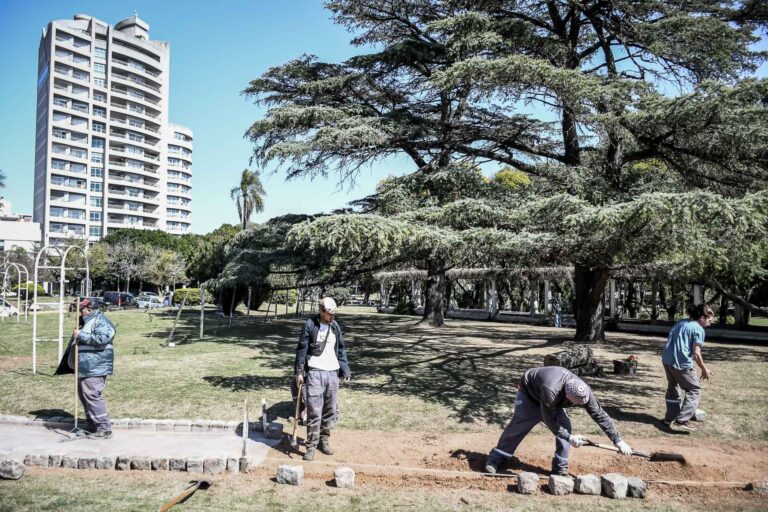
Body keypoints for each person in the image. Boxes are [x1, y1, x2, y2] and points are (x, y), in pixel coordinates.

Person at [485, 366, 632, 475]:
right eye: (575, 404)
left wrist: (618, 440)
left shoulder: (583, 390)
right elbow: (549, 420)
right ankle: (496, 458)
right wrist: (570, 438)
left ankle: (560, 468)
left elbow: (599, 414)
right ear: (567, 397)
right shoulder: (551, 390)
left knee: (565, 426)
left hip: (553, 398)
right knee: (520, 424)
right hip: (529, 391)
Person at [294, 297, 351, 461]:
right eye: (329, 314)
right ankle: (311, 446)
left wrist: (345, 369)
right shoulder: (310, 325)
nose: (331, 317)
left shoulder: (335, 326)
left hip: (332, 373)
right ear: (321, 311)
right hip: (315, 373)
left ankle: (324, 441)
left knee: (330, 410)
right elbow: (301, 349)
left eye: (333, 314)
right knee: (314, 411)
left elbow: (341, 349)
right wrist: (298, 372)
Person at [661, 303, 714, 432]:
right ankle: (682, 420)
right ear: (702, 317)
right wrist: (704, 368)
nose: (709, 323)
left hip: (667, 360)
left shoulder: (681, 322)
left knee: (673, 389)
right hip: (681, 364)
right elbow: (696, 353)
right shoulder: (698, 329)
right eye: (709, 320)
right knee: (694, 390)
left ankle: (669, 418)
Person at [72, 298, 116, 438]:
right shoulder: (86, 322)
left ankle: (103, 427)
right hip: (85, 365)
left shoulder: (101, 321)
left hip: (95, 366)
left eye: (81, 309)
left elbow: (103, 339)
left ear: (89, 309)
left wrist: (81, 335)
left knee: (92, 394)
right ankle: (93, 425)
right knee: (84, 395)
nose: (80, 312)